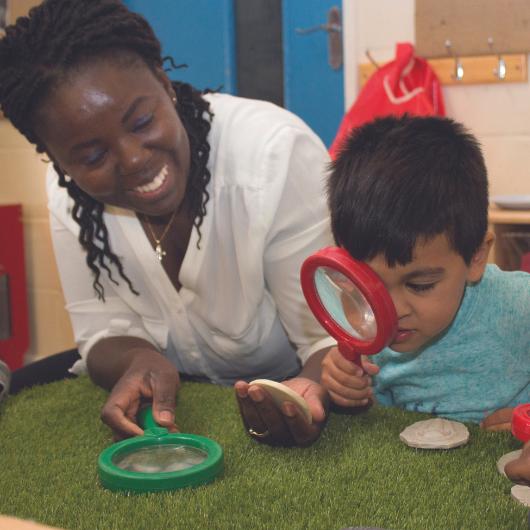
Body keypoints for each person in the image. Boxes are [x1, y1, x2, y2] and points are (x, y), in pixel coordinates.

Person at [0, 0, 336, 445]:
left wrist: (305, 394)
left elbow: (327, 343)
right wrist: (139, 359)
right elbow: (101, 334)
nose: (134, 159)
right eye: (93, 156)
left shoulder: (273, 156)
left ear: (164, 82)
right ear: (56, 159)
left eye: (141, 121)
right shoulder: (67, 193)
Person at [320, 115, 530, 426]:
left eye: (420, 285)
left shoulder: (520, 306)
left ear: (475, 257)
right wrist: (347, 391)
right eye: (368, 284)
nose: (390, 311)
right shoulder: (364, 327)